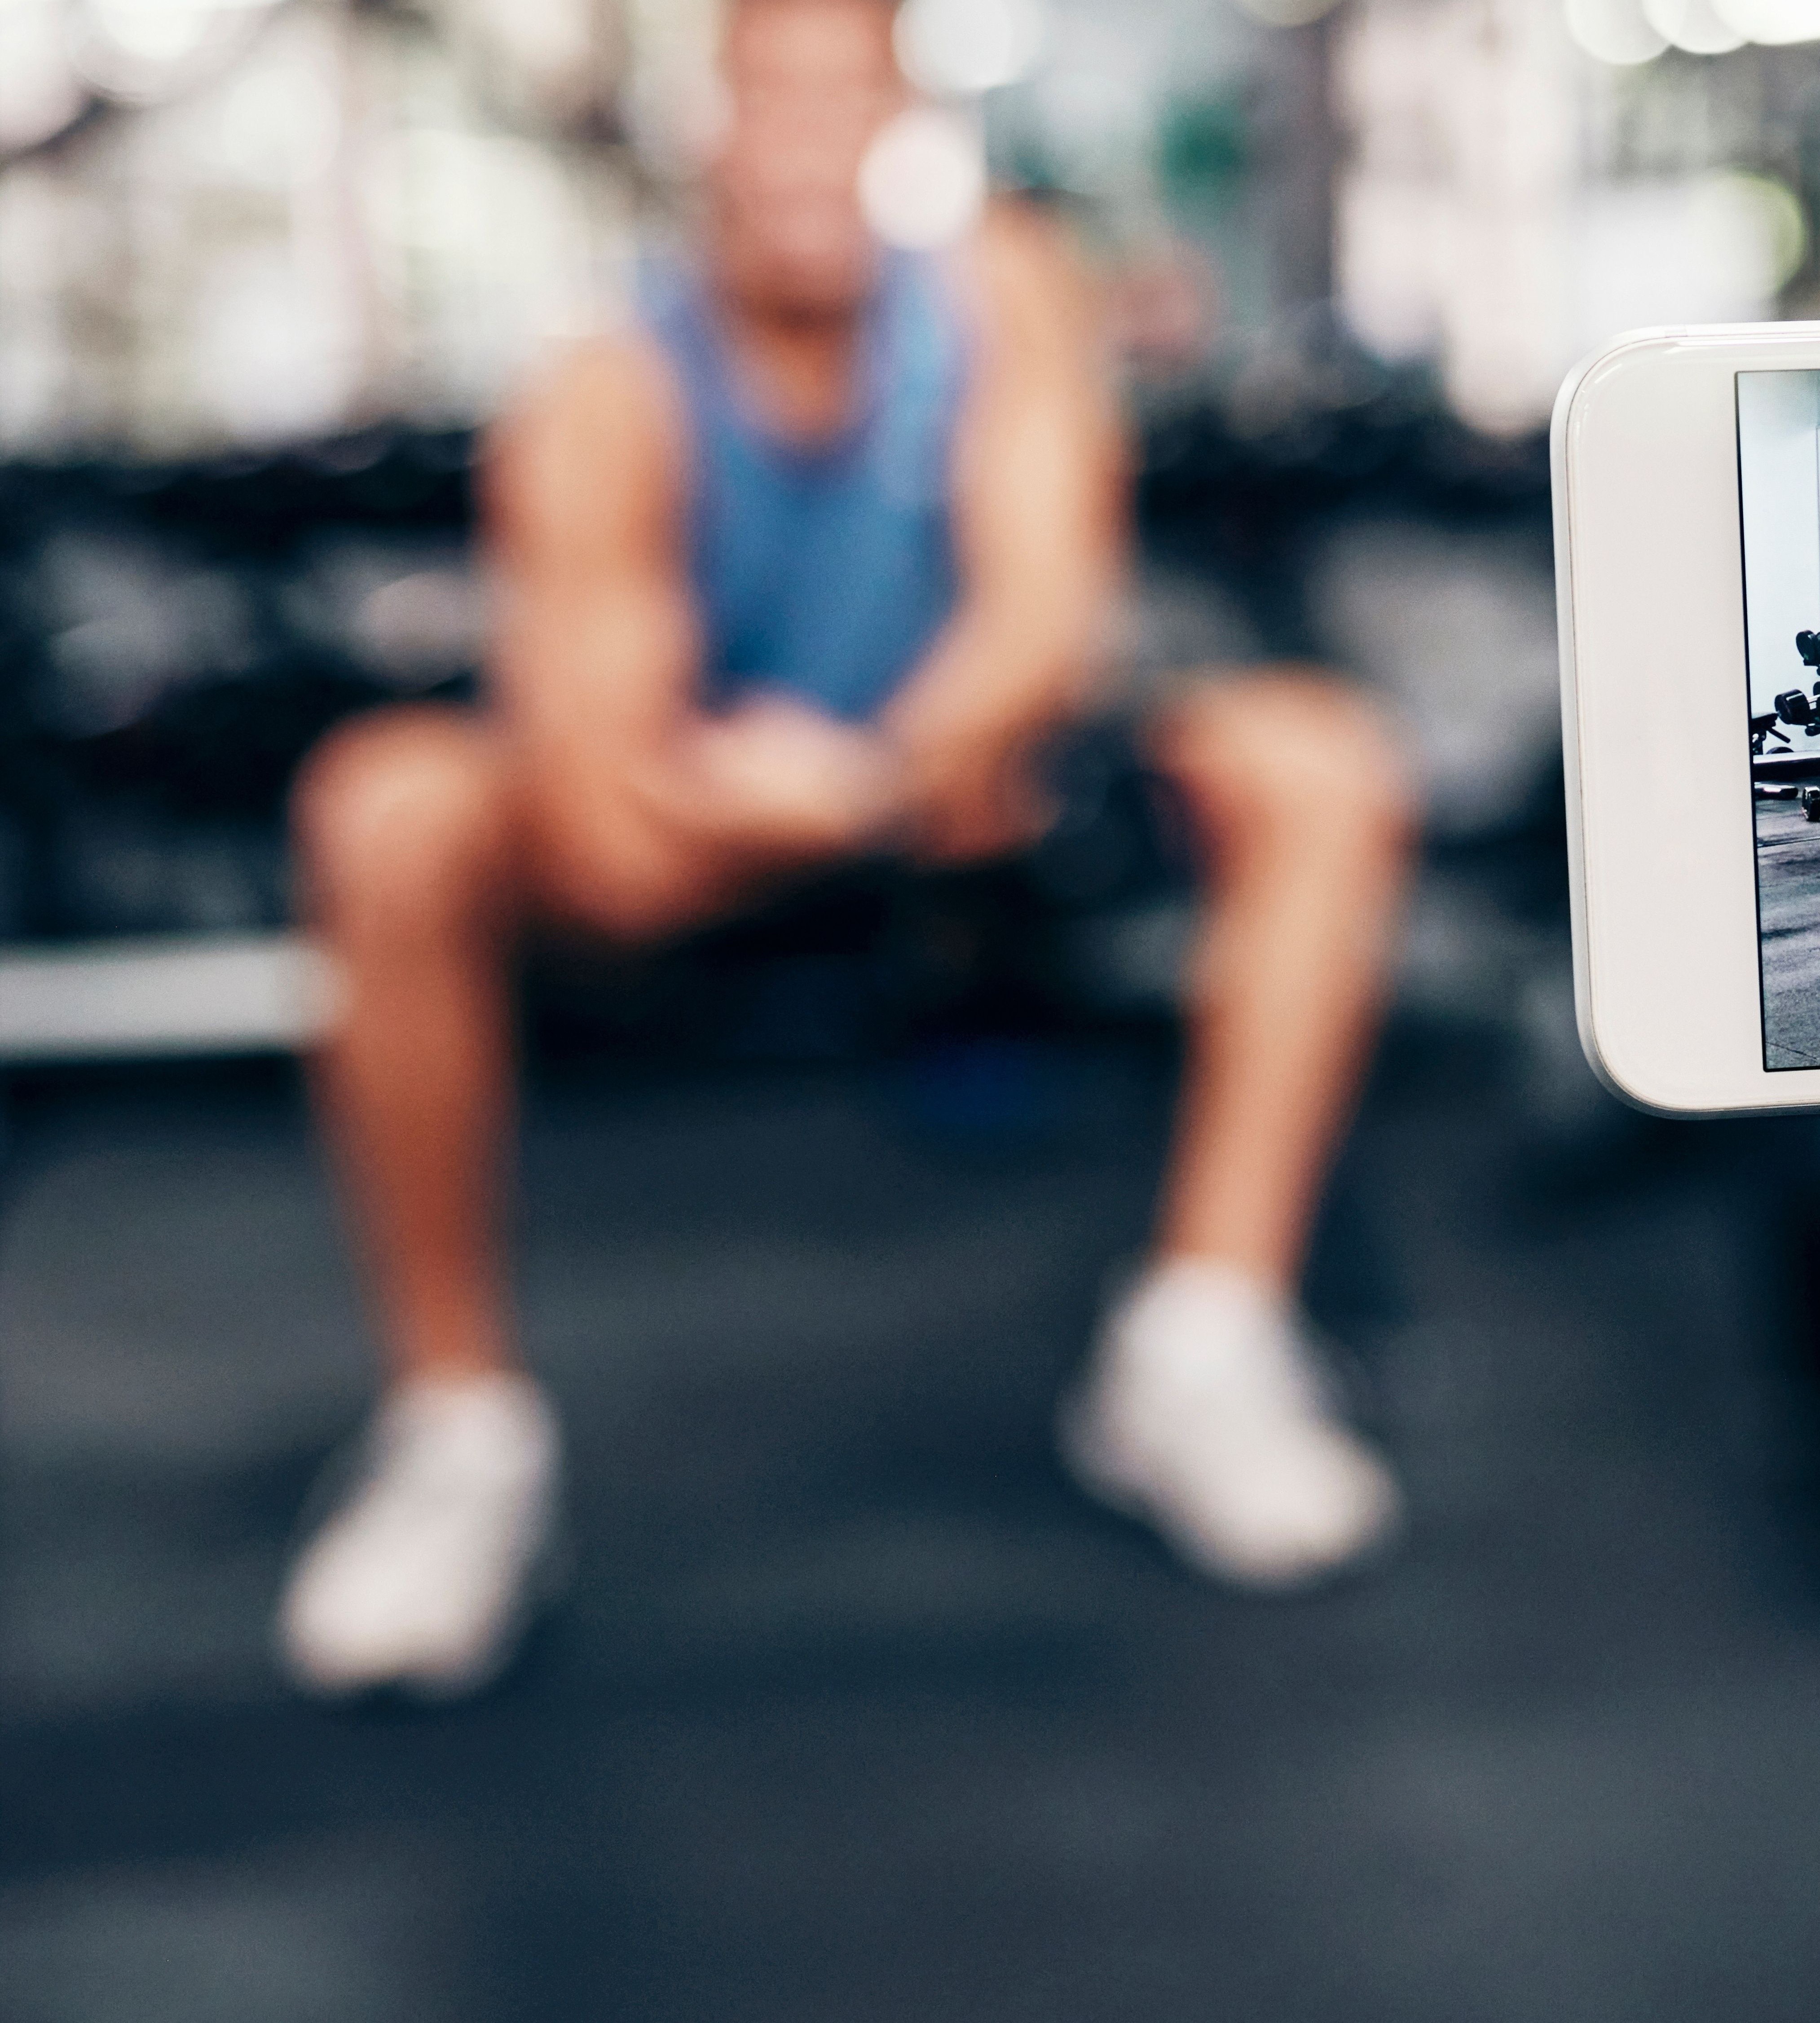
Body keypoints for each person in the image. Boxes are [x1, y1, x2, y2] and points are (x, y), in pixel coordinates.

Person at [274, 0, 1412, 1700]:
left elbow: (1038, 622)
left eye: (845, 90)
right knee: (385, 805)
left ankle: (1196, 1342)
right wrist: (755, 804)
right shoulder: (609, 381)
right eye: (773, 91)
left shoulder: (997, 288)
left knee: (1317, 758)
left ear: (894, 117)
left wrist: (876, 772)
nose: (808, 128)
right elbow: (603, 832)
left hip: (957, 798)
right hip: (693, 830)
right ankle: (458, 1436)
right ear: (714, 122)